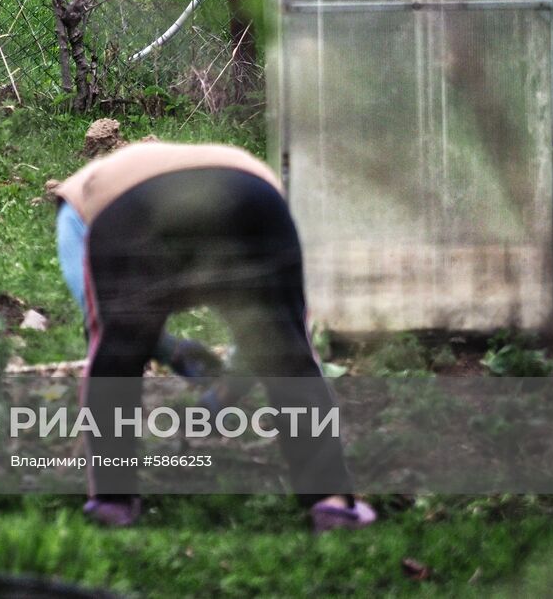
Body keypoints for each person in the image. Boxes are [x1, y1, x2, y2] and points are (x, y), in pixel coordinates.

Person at [53, 140, 376, 532]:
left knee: (117, 353)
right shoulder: (222, 165)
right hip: (251, 191)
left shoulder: (74, 211)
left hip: (134, 208)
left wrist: (170, 353)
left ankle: (112, 500)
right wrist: (212, 378)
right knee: (286, 350)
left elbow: (103, 325)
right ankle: (333, 502)